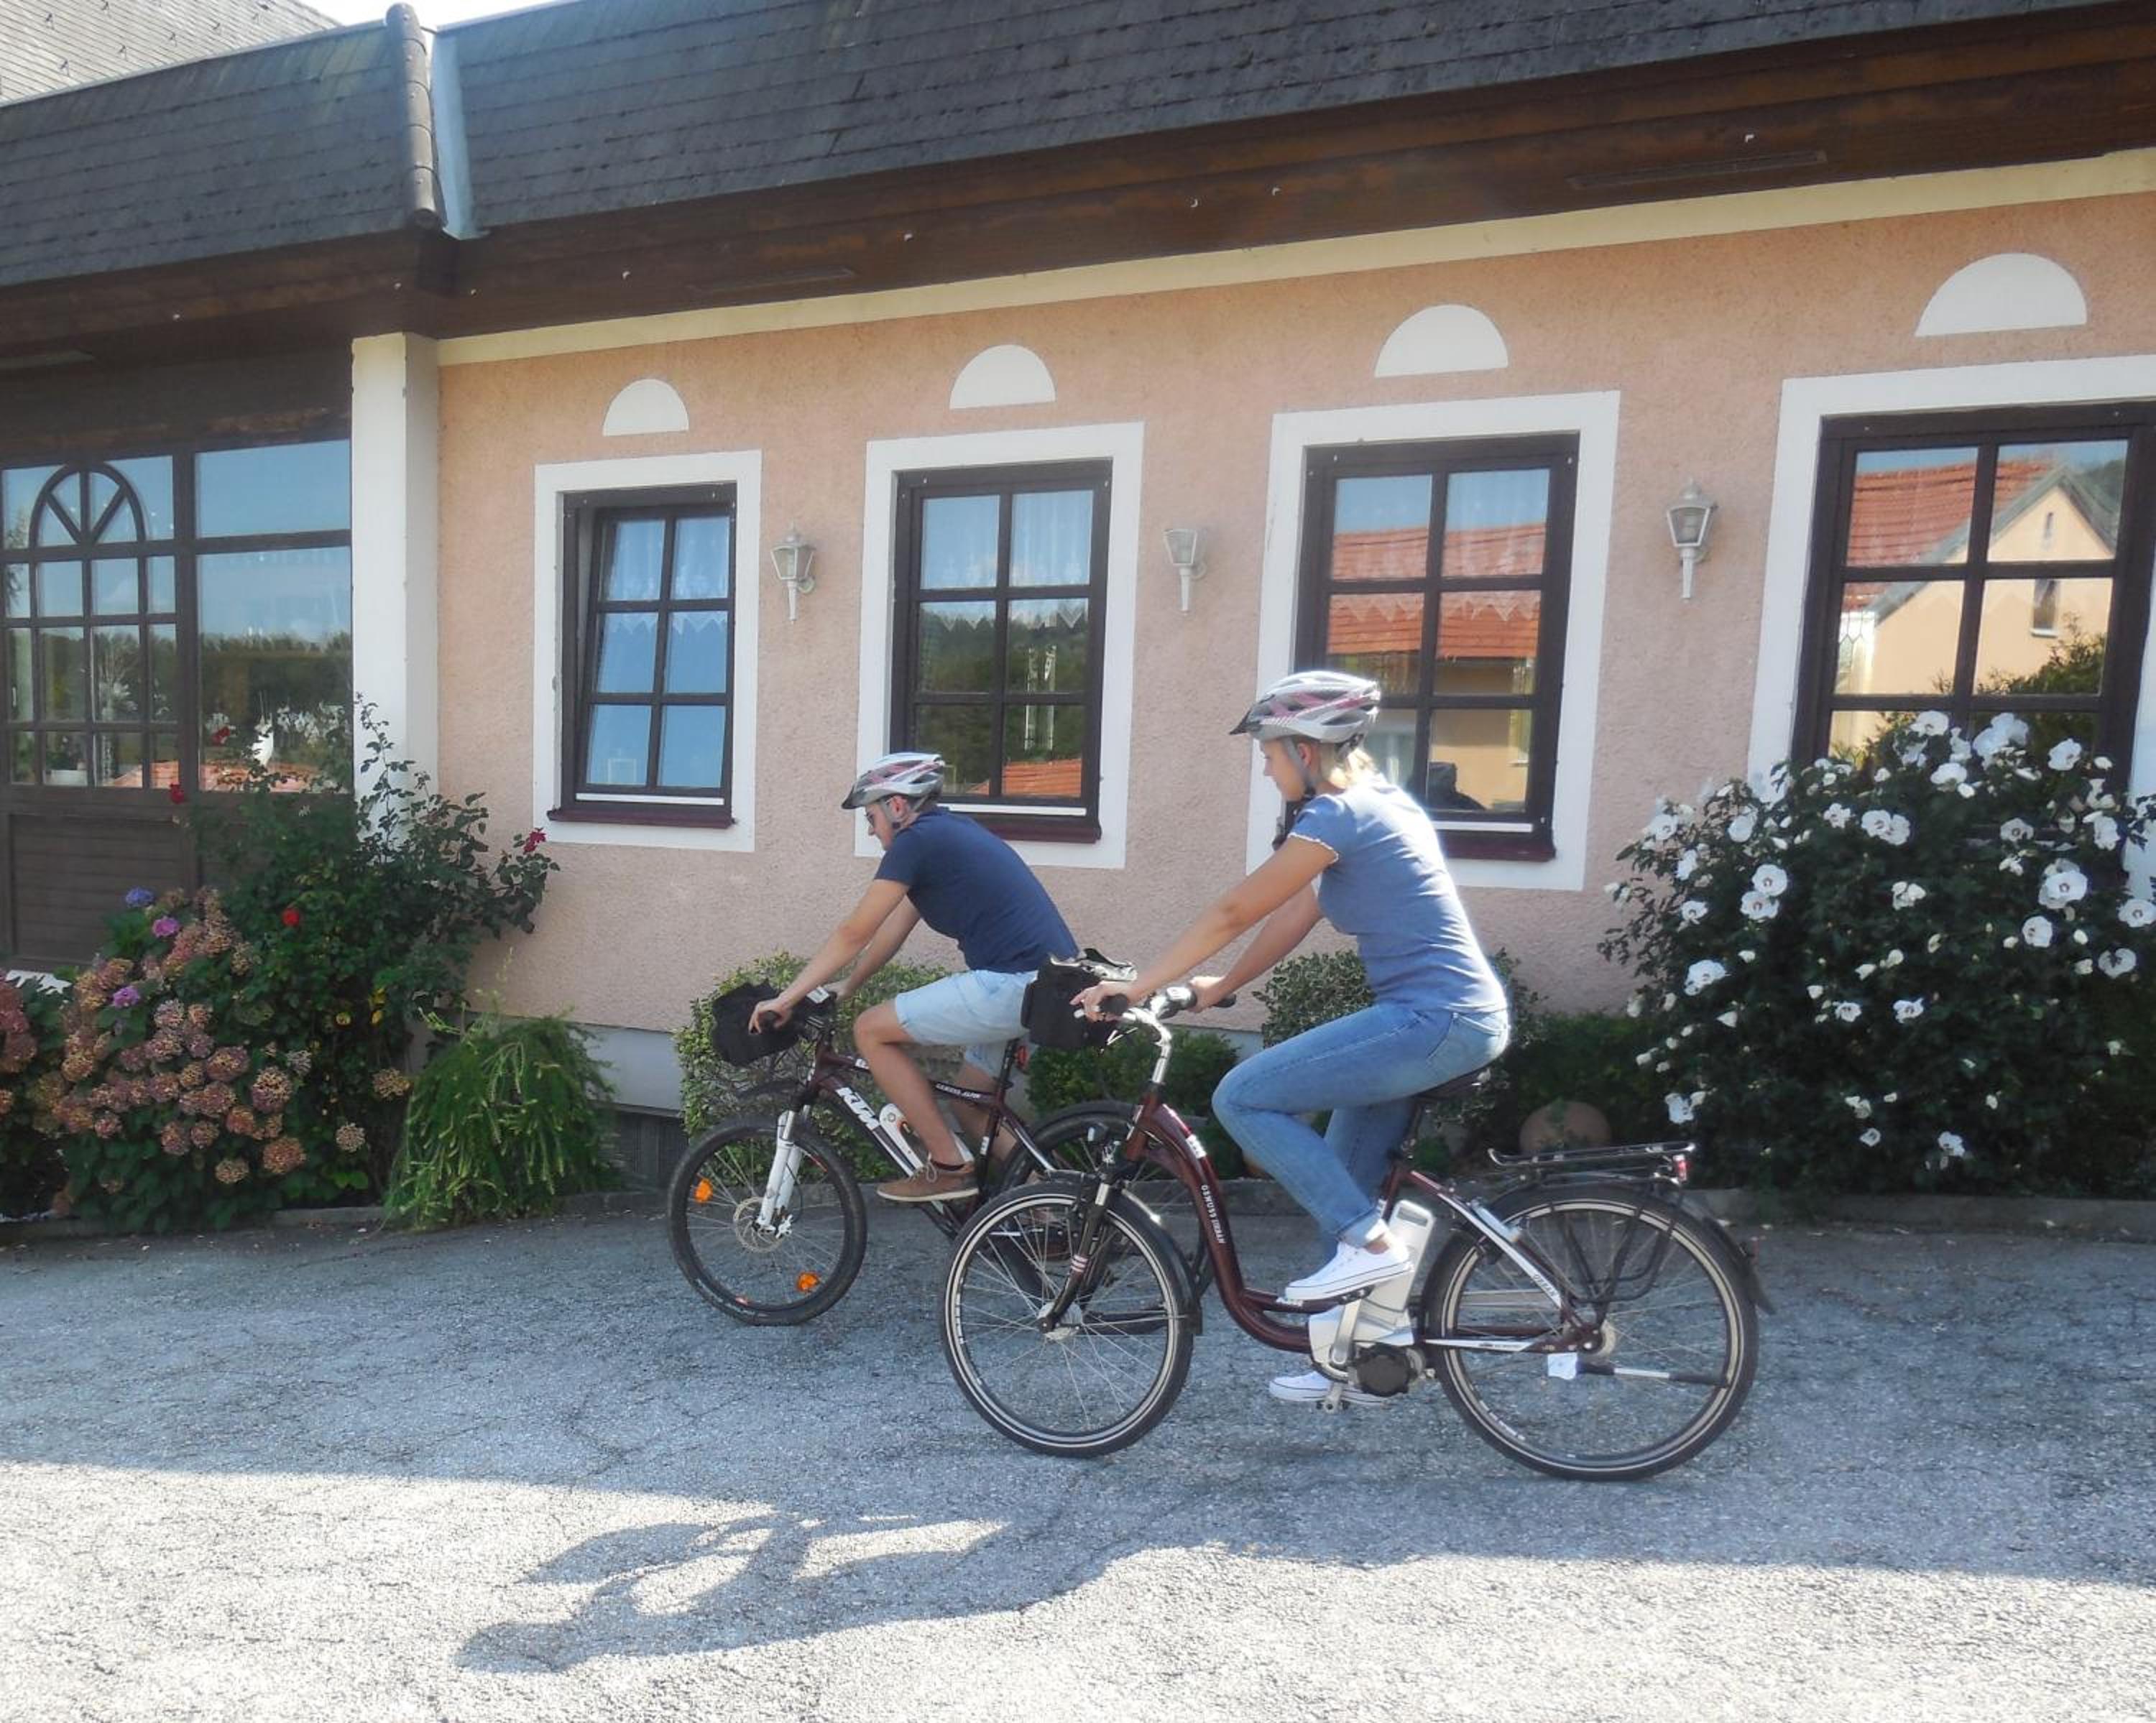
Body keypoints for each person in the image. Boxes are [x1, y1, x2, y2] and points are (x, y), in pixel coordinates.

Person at [1075, 670, 1510, 1406]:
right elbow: (1294, 913)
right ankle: (1360, 1352)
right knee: (1341, 1184)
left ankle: (1374, 1247)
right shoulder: (1374, 803)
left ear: (1306, 751)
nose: (1266, 768)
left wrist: (1139, 985)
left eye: (1269, 754)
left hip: (1435, 1019)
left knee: (1243, 1096)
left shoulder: (1340, 815)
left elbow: (1235, 909)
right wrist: (1219, 984)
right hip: (1445, 1018)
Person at [750, 751, 1078, 1204]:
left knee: (870, 1030)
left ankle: (948, 1166)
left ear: (897, 806)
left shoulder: (917, 842)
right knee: (970, 1102)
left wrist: (785, 998)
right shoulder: (946, 835)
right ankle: (1053, 1205)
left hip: (1012, 983)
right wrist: (851, 984)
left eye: (870, 817)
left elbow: (854, 932)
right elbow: (893, 930)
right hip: (1041, 985)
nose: (871, 830)